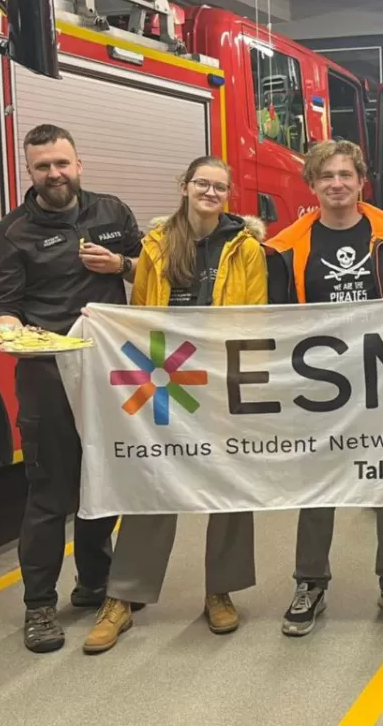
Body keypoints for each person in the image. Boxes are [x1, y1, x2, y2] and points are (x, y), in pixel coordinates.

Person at [265, 139, 383, 636]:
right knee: (317, 483)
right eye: (326, 176)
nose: (337, 184)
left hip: (382, 379)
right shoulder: (286, 247)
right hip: (318, 387)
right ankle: (310, 581)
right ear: (312, 184)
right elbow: (272, 314)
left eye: (345, 175)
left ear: (361, 181)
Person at [82, 156, 268, 654]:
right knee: (153, 484)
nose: (211, 192)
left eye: (220, 187)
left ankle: (219, 592)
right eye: (202, 184)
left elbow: (253, 318)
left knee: (227, 487)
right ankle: (121, 599)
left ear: (229, 195)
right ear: (184, 186)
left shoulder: (246, 248)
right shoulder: (158, 244)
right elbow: (143, 313)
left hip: (221, 379)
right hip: (167, 377)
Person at [0, 123, 142, 653]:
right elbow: (0, 303)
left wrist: (122, 264)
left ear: (79, 163)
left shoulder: (112, 212)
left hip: (109, 371)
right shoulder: (10, 234)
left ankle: (95, 582)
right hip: (48, 372)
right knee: (50, 494)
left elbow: (154, 272)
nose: (55, 174)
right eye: (43, 166)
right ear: (29, 172)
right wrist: (8, 329)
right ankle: (39, 608)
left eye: (62, 163)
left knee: (105, 479)